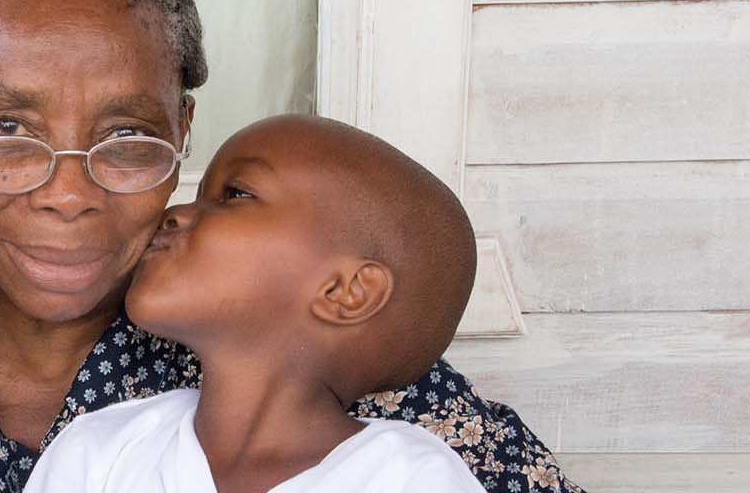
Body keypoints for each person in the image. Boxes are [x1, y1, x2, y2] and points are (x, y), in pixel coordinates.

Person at [0, 0, 582, 491]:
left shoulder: (301, 351)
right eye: (7, 131)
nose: (68, 194)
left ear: (182, 131)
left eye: (126, 137)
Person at [25, 115, 485, 492]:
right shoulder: (97, 453)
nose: (175, 213)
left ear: (347, 292)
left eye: (235, 195)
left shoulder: (411, 480)